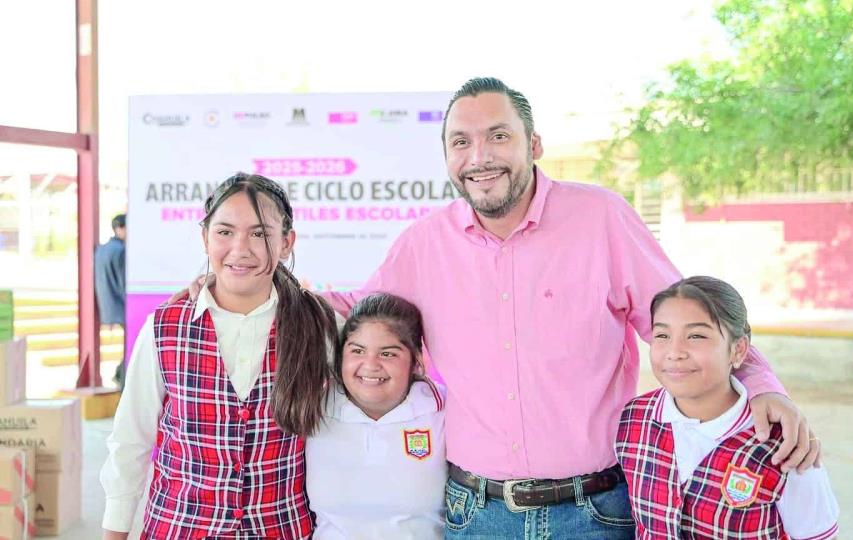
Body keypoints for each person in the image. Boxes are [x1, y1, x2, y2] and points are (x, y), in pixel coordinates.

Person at [187, 77, 820, 538]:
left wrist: (764, 385)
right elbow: (346, 309)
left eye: (497, 136)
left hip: (595, 511)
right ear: (447, 157)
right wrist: (231, 286)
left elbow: (692, 319)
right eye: (460, 142)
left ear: (533, 143)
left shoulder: (601, 218)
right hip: (475, 513)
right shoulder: (425, 242)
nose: (479, 157)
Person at [100, 172, 337, 539]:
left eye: (259, 234)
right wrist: (114, 531)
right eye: (225, 231)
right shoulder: (166, 327)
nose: (240, 249)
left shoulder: (318, 325)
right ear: (205, 238)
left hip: (283, 528)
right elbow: (131, 439)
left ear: (286, 242)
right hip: (178, 528)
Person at [615, 276, 839, 538]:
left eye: (696, 336)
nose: (674, 352)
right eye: (662, 335)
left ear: (738, 350)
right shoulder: (634, 420)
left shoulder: (785, 444)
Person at [306, 292, 446, 539]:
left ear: (416, 361)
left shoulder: (444, 412)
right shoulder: (313, 408)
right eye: (357, 351)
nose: (370, 365)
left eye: (388, 354)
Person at [95, 213, 127, 386]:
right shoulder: (121, 251)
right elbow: (124, 284)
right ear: (119, 229)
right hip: (122, 306)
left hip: (107, 305)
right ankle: (121, 376)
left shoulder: (101, 250)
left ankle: (119, 374)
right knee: (132, 344)